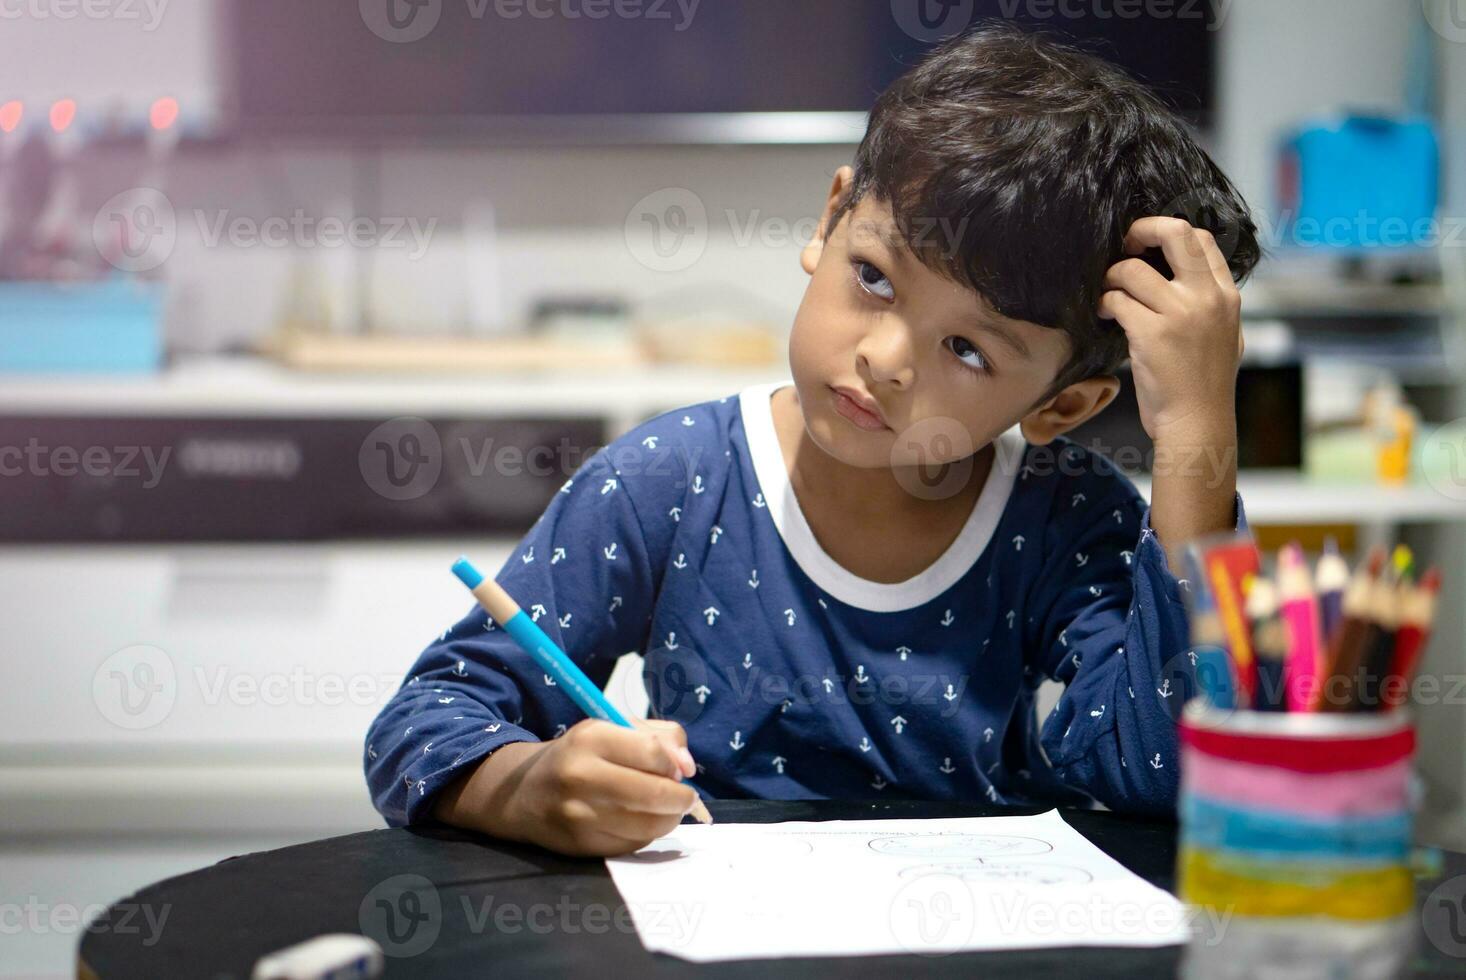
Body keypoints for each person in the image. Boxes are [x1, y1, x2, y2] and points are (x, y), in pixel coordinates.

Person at [366, 22, 1261, 857]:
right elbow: (425, 722)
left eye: (968, 349)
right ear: (831, 218)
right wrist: (529, 785)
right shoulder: (668, 483)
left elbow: (1165, 776)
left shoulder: (1068, 519)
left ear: (1062, 407)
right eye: (874, 277)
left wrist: (1194, 435)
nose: (882, 358)